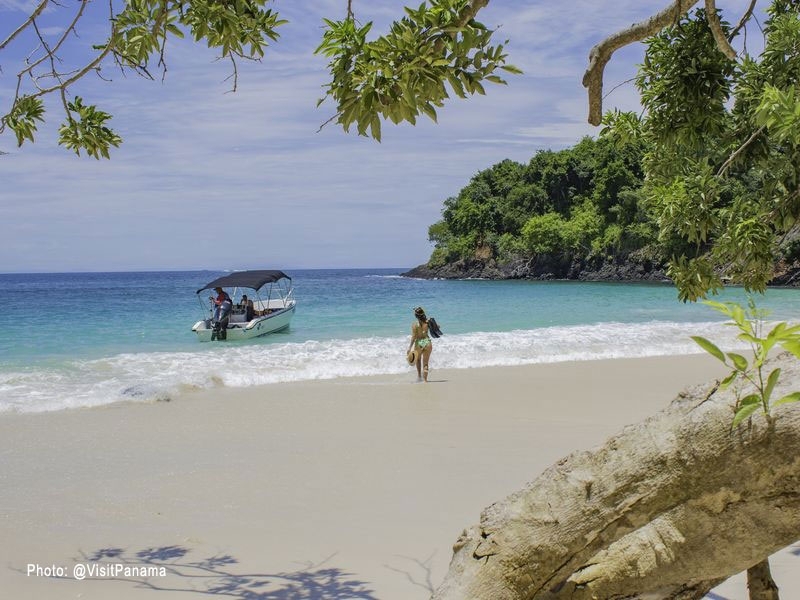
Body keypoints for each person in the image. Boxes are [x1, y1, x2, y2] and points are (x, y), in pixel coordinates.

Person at [408, 306, 433, 382]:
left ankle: (419, 377)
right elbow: (437, 327)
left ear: (416, 316)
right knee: (426, 363)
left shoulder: (414, 325)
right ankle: (425, 380)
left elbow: (413, 337)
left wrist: (409, 348)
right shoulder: (427, 322)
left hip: (418, 344)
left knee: (418, 360)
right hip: (427, 342)